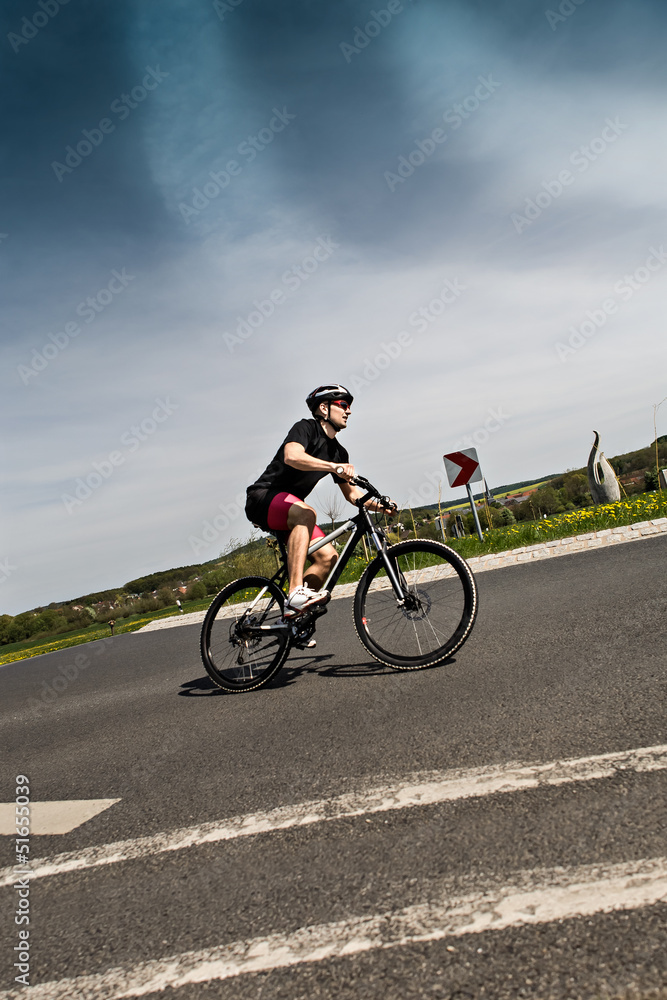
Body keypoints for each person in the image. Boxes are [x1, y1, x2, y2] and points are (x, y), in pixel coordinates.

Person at [245, 383, 395, 624]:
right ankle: (295, 592)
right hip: (262, 498)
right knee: (307, 513)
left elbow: (352, 495)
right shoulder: (305, 428)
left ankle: (293, 620)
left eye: (350, 407)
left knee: (328, 557)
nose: (349, 411)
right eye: (344, 405)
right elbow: (292, 456)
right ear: (324, 408)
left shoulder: (338, 452)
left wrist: (380, 506)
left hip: (291, 510)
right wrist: (331, 467)